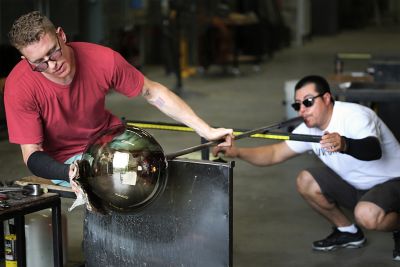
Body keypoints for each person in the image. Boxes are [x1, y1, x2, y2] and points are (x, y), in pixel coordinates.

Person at [4, 11, 232, 190]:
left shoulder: (103, 60)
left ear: (61, 36)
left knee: (153, 173)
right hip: (64, 160)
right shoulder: (19, 87)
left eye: (53, 52)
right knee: (113, 187)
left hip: (108, 140)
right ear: (26, 60)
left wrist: (206, 130)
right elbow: (31, 154)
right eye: (40, 63)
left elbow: (153, 92)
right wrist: (67, 172)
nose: (52, 65)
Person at [213, 75, 400, 260]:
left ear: (326, 98)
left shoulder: (354, 115)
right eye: (297, 105)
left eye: (308, 102)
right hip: (357, 186)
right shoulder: (309, 128)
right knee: (306, 180)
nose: (302, 110)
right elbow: (274, 154)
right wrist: (238, 152)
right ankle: (348, 232)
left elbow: (374, 150)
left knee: (366, 215)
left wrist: (344, 144)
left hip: (392, 181)